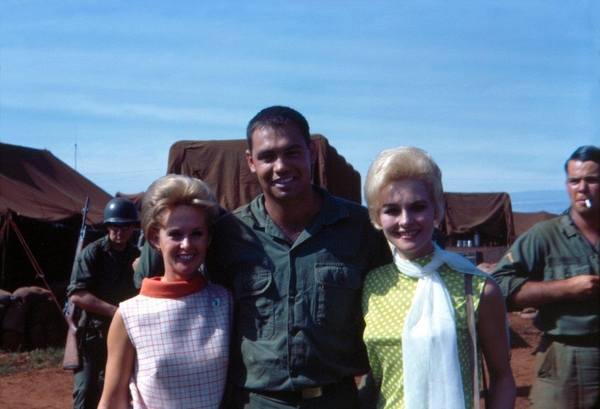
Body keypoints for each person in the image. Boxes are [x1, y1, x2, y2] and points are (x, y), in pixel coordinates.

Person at [203, 105, 392, 409]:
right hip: (254, 402)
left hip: (337, 399)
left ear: (311, 152)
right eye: (267, 156)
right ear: (251, 162)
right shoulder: (229, 235)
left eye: (291, 152)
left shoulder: (361, 230)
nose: (280, 166)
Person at [362, 146, 516, 409]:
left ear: (436, 209)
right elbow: (376, 377)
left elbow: (502, 379)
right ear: (377, 217)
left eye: (417, 206)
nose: (405, 220)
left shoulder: (478, 288)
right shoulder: (372, 285)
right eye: (391, 210)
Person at [98, 174, 232, 409]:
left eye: (197, 233)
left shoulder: (225, 301)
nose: (187, 244)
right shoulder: (130, 315)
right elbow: (111, 402)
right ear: (154, 238)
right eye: (175, 234)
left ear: (209, 237)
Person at [492, 145, 600, 409]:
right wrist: (565, 288)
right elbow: (497, 288)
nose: (582, 188)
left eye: (592, 180)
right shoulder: (544, 236)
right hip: (565, 363)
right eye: (574, 181)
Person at [67, 197, 141, 409]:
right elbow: (77, 295)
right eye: (114, 226)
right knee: (86, 389)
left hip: (124, 335)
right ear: (107, 226)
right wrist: (117, 312)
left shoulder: (137, 256)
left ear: (132, 227)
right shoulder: (93, 253)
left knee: (119, 389)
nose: (119, 231)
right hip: (92, 332)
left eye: (124, 226)